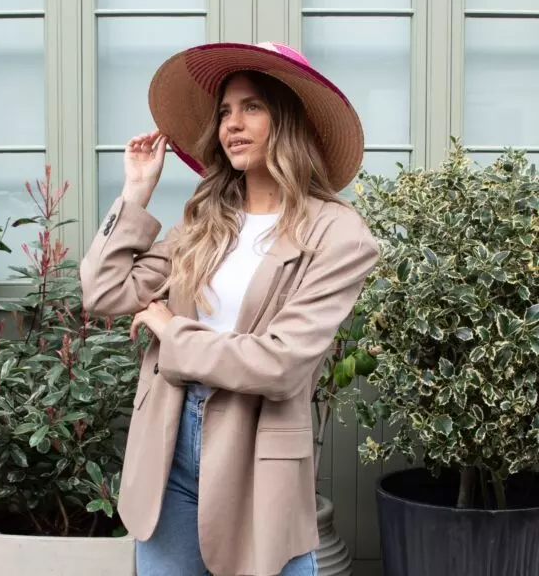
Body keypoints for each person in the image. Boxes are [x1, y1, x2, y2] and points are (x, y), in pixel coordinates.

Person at [80, 41, 379, 576]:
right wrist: (134, 194)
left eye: (252, 107)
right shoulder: (205, 221)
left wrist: (174, 333)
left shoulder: (339, 234)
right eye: (224, 111)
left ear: (289, 119)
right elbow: (105, 292)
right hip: (168, 450)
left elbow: (281, 364)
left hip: (256, 456)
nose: (231, 124)